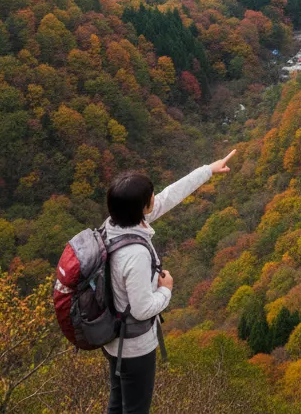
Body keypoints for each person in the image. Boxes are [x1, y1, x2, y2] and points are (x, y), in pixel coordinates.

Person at [102, 149, 237, 414]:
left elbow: (169, 196)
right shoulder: (135, 254)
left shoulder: (114, 226)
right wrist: (166, 291)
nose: (155, 198)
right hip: (135, 348)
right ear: (142, 207)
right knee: (135, 409)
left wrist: (208, 170)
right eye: (150, 196)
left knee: (117, 404)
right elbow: (142, 309)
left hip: (115, 341)